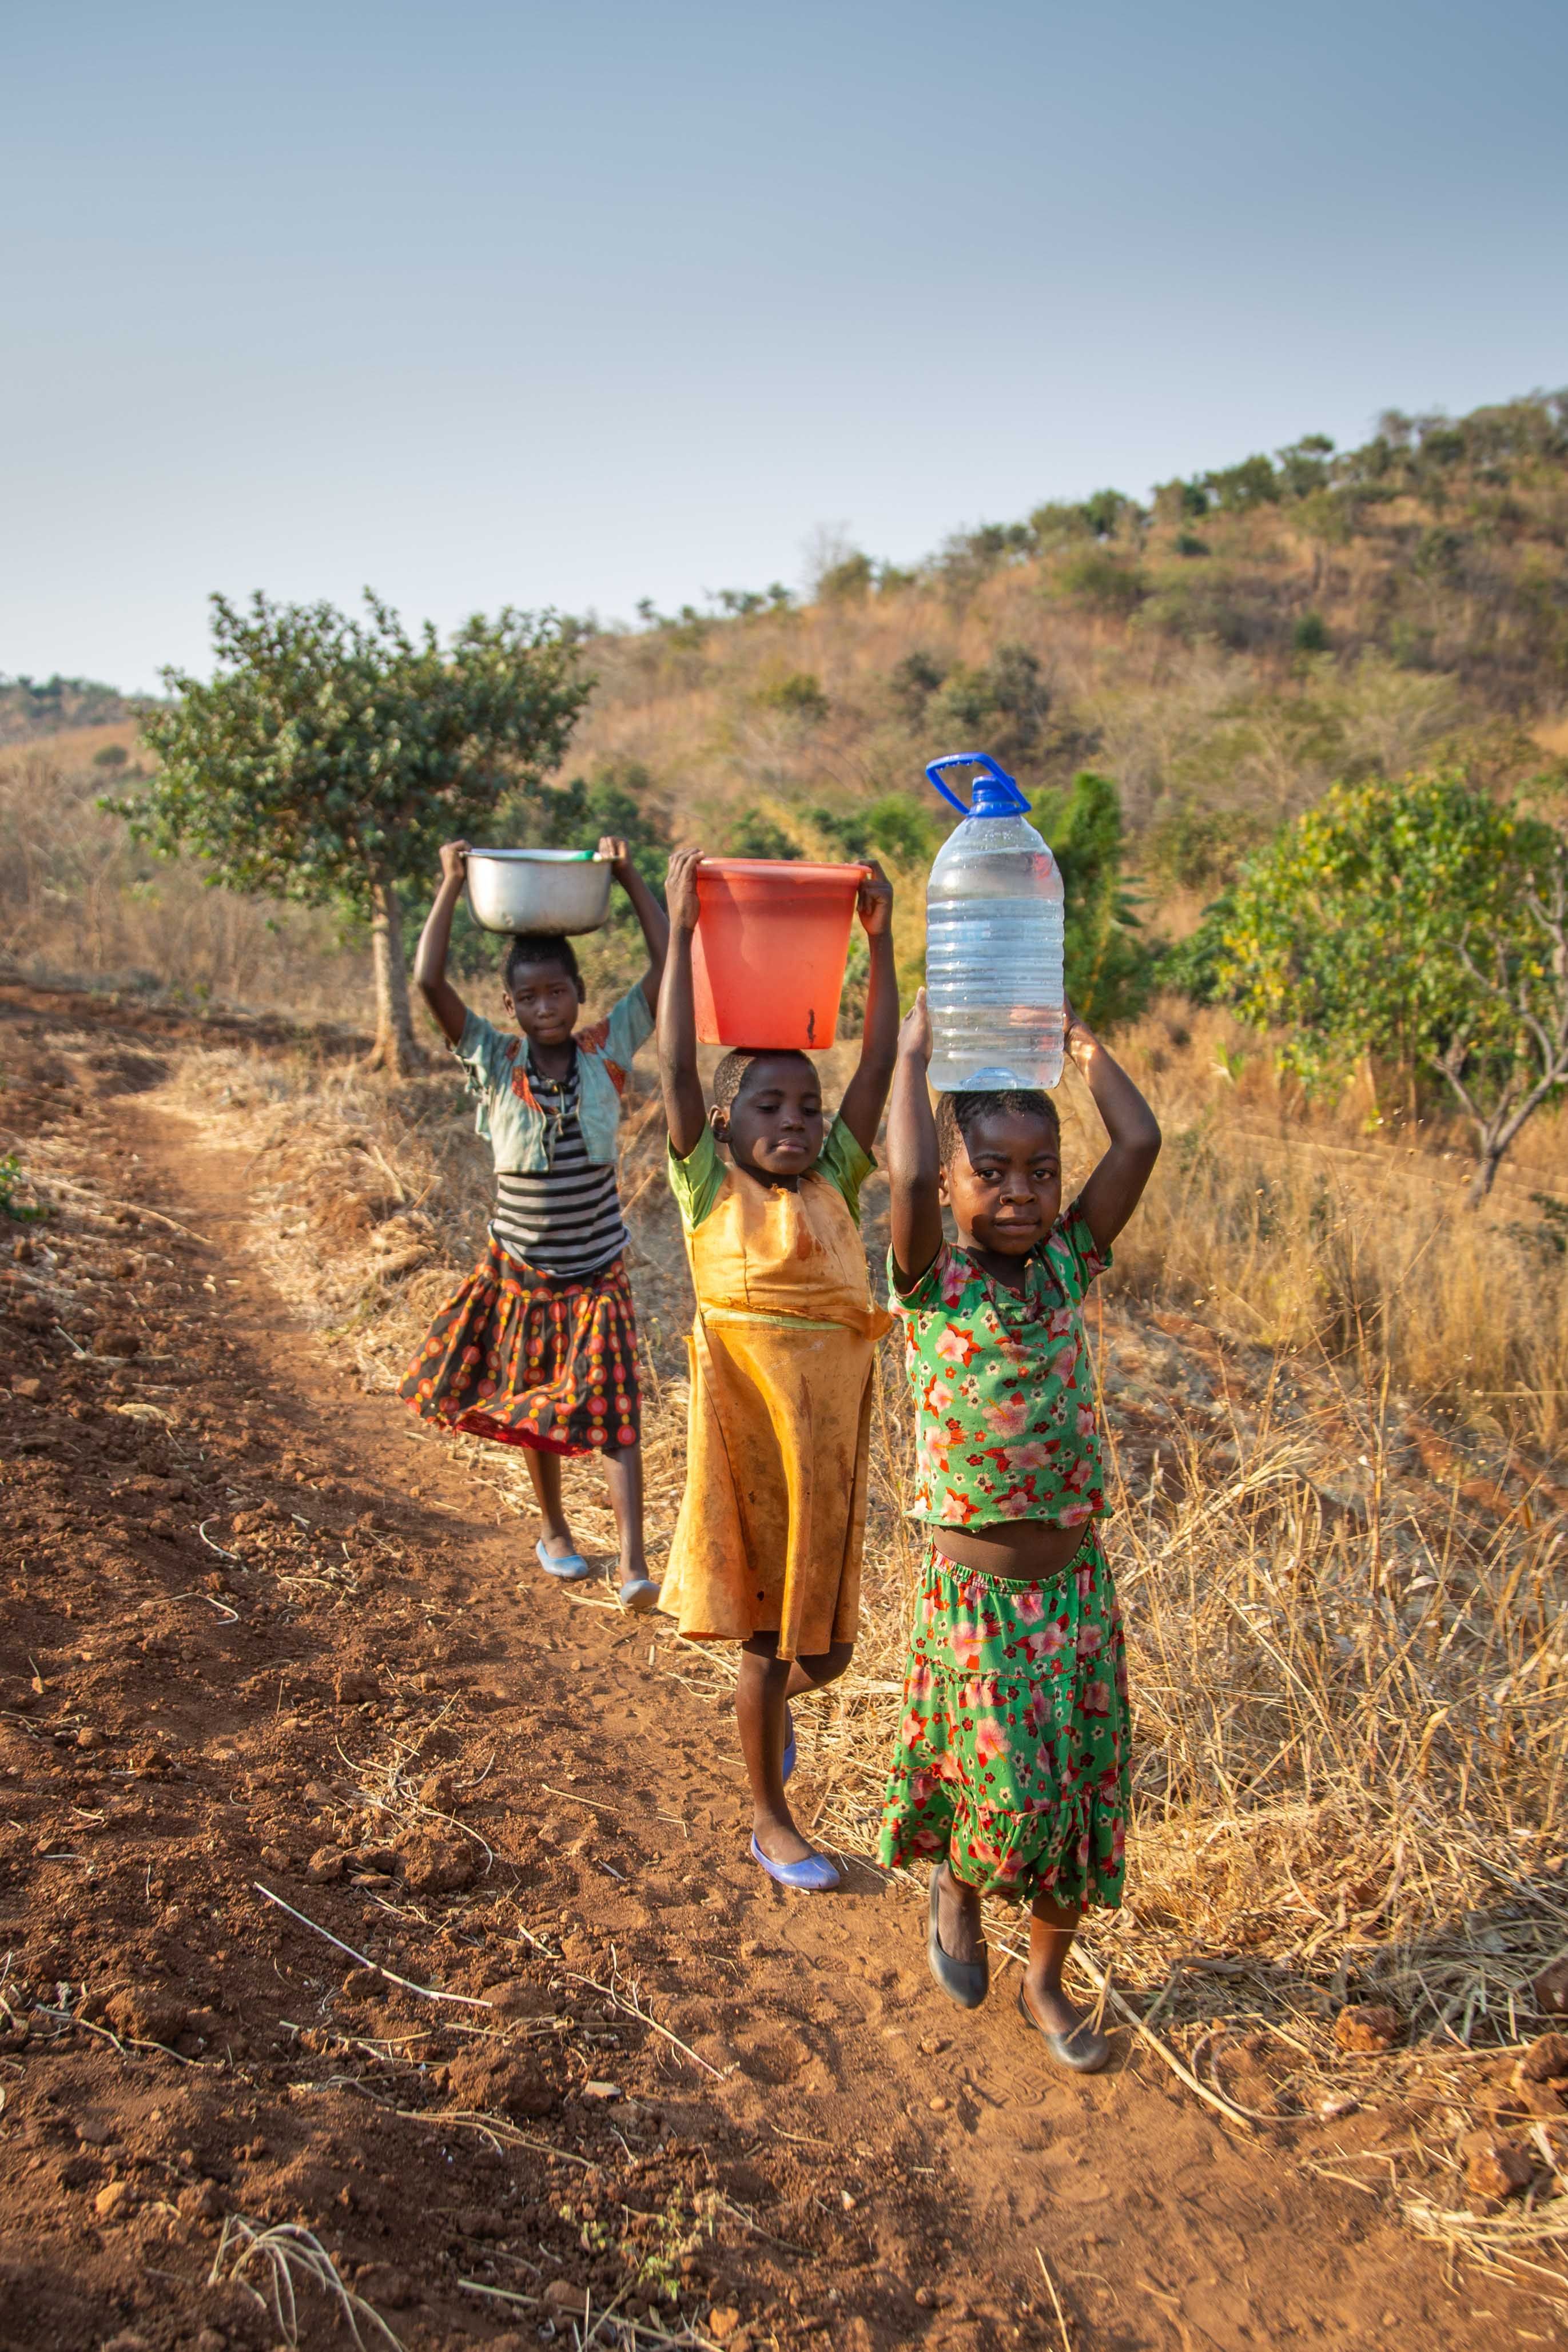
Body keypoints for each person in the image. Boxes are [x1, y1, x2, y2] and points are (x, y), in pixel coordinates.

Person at [878, 986, 1160, 2068]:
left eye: (1039, 1171)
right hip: (980, 1606)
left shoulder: (1064, 1266)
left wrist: (1081, 1045)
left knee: (1082, 1799)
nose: (1019, 1192)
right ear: (949, 1183)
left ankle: (1046, 1980)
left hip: (1076, 1593)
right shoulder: (931, 1284)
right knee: (1005, 1799)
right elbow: (899, 1172)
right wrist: (912, 1058)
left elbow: (1138, 1137)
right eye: (988, 1171)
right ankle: (955, 1876)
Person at [656, 846, 898, 1891]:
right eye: (770, 1108)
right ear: (723, 1124)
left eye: (806, 1106)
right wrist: (673, 935)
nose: (795, 1123)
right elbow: (671, 1068)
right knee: (764, 1639)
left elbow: (880, 1063)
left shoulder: (839, 1173)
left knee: (828, 1650)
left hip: (832, 1444)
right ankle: (769, 1815)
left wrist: (881, 951)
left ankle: (770, 1720)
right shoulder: (706, 1185)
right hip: (747, 1438)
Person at [400, 836, 668, 1611]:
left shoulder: (606, 1052)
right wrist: (451, 883)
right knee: (532, 1405)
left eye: (559, 992)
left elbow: (666, 969)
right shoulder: (491, 1056)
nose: (547, 1007)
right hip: (520, 1268)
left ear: (578, 993)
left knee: (617, 1414)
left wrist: (626, 875)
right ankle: (553, 1529)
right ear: (511, 1007)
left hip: (599, 1274)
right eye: (531, 998)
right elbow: (427, 980)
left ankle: (633, 1562)